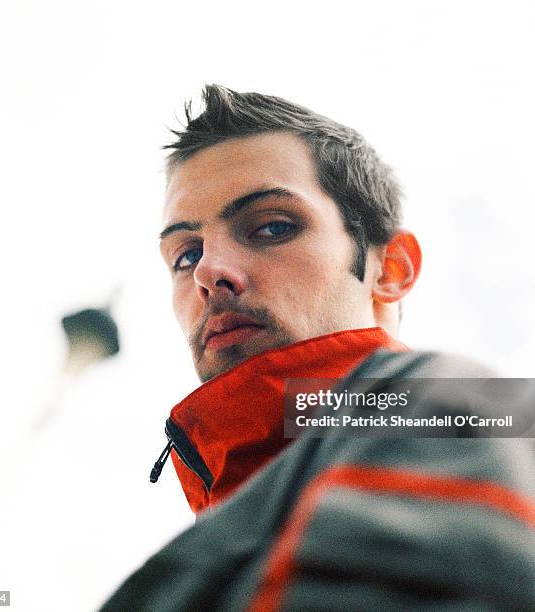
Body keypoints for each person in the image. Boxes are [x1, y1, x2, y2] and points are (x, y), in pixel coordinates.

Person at [101, 86, 534, 611]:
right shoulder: (223, 530)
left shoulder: (444, 400)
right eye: (186, 254)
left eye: (272, 226)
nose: (209, 272)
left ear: (390, 269)